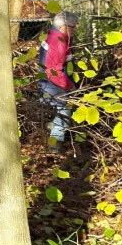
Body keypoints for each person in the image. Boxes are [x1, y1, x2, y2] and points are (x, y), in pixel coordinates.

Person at [39, 11, 79, 153]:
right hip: (55, 86)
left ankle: (52, 130)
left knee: (60, 115)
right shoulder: (59, 42)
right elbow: (53, 71)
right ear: (63, 26)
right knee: (64, 115)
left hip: (49, 85)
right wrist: (69, 86)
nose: (75, 30)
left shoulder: (54, 37)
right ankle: (54, 147)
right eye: (73, 27)